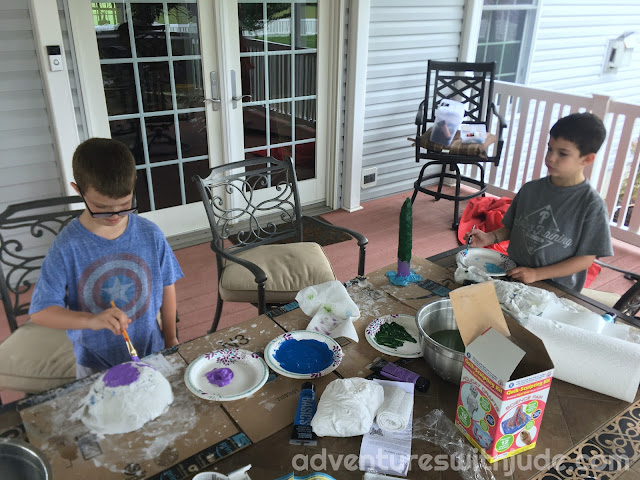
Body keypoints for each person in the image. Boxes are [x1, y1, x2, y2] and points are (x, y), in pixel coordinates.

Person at [29, 138, 184, 378]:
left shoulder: (150, 234)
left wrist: (171, 338)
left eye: (125, 204)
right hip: (95, 364)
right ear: (78, 190)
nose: (115, 215)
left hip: (150, 351)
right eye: (102, 207)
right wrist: (92, 320)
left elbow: (167, 286)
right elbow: (41, 312)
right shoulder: (67, 246)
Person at [465, 112, 613, 291]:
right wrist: (489, 237)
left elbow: (585, 260)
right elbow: (514, 228)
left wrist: (537, 274)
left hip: (555, 289)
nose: (551, 158)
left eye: (563, 153)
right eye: (550, 149)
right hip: (512, 274)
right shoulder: (530, 190)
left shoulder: (591, 205)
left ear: (587, 159)